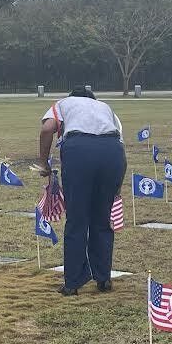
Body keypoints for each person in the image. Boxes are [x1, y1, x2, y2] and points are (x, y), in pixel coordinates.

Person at [38, 88, 126, 295]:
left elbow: (47, 129)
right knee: (102, 220)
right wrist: (117, 186)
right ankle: (103, 278)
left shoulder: (62, 104)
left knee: (77, 220)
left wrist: (43, 163)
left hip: (80, 150)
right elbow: (120, 141)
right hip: (112, 153)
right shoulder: (105, 107)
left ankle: (73, 283)